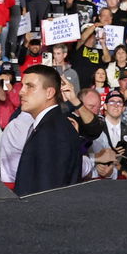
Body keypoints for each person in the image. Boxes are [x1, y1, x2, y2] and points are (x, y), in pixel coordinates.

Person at [13, 64, 81, 195]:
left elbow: (48, 193)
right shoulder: (51, 125)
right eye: (22, 86)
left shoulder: (52, 131)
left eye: (30, 86)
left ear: (49, 92)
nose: (21, 91)